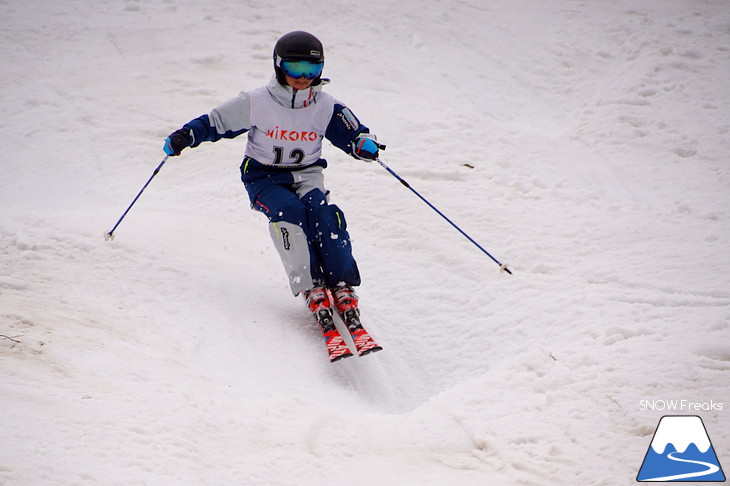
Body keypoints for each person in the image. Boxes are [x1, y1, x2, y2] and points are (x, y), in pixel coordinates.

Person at [162, 31, 383, 323]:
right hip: (263, 177)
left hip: (307, 175)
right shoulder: (257, 101)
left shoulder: (326, 105)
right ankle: (310, 286)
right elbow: (215, 122)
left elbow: (354, 132)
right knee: (289, 213)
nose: (303, 77)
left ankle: (341, 284)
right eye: (295, 68)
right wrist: (187, 135)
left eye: (312, 70)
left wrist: (362, 144)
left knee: (322, 213)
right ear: (279, 66)